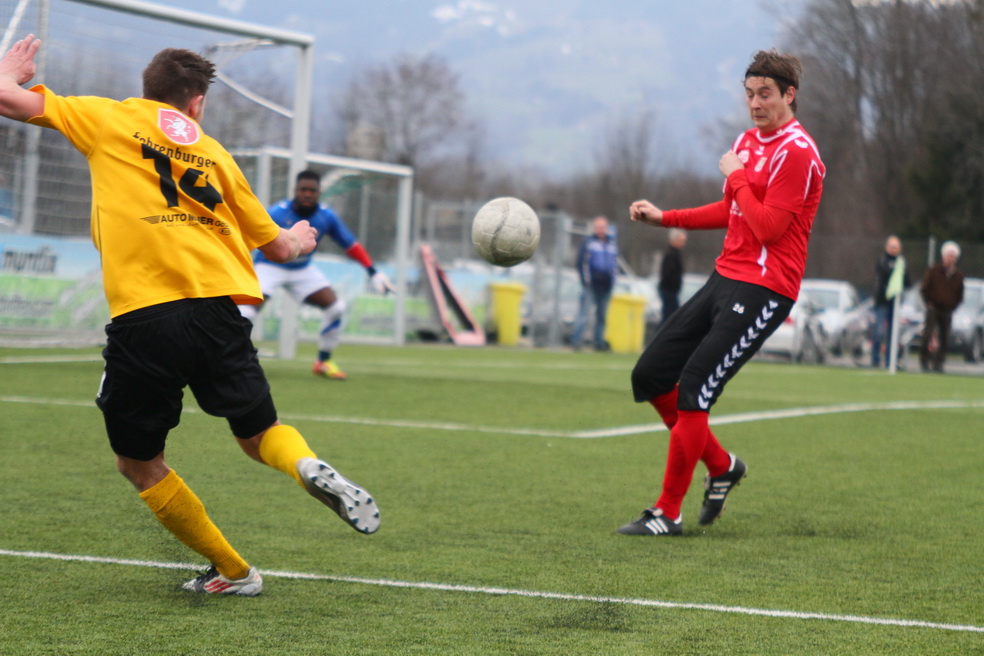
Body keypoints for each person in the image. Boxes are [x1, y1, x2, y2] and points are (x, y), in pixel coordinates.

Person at [0, 35, 380, 596]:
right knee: (260, 433)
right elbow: (280, 248)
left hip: (147, 318)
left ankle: (235, 571)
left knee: (138, 463)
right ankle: (303, 464)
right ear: (197, 102)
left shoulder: (110, 117)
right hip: (220, 313)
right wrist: (301, 238)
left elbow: (8, 99)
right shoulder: (217, 155)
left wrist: (9, 70)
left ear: (148, 89)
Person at [620, 49, 825, 537]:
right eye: (749, 94)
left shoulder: (797, 152)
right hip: (725, 277)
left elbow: (769, 227)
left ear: (789, 95)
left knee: (695, 387)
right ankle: (721, 465)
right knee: (650, 374)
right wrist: (666, 218)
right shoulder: (746, 142)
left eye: (765, 94)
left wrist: (735, 175)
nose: (754, 104)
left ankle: (667, 513)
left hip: (765, 289)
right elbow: (732, 211)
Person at [238, 169, 393, 380]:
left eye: (312, 190)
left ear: (319, 193)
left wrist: (372, 272)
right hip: (269, 266)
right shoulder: (276, 213)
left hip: (302, 269)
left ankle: (323, 361)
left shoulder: (326, 216)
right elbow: (246, 239)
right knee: (245, 313)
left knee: (336, 308)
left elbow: (351, 246)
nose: (307, 194)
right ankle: (234, 362)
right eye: (303, 189)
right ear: (295, 190)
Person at [572, 215, 619, 351]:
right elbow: (582, 263)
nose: (601, 229)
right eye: (598, 227)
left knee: (602, 316)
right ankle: (577, 341)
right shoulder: (589, 243)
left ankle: (599, 342)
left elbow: (615, 265)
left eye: (603, 227)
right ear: (594, 228)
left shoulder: (611, 244)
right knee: (584, 313)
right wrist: (586, 281)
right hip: (591, 285)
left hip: (606, 285)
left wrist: (613, 281)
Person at [919, 240, 964, 372]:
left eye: (953, 256)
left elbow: (960, 294)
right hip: (933, 308)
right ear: (943, 256)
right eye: (948, 255)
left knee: (944, 337)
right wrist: (928, 303)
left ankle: (939, 363)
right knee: (928, 334)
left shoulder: (958, 276)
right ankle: (924, 361)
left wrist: (953, 306)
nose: (950, 258)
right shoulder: (933, 271)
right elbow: (924, 288)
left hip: (947, 310)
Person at [871, 235, 910, 368]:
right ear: (887, 247)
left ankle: (890, 361)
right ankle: (875, 360)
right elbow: (883, 276)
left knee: (893, 334)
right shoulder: (882, 261)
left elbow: (907, 282)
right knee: (878, 332)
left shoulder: (902, 263)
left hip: (895, 303)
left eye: (896, 247)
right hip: (882, 302)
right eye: (892, 247)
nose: (894, 249)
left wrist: (901, 272)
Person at [657, 228, 687, 324]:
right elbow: (669, 274)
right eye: (681, 240)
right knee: (670, 317)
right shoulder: (671, 254)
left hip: (671, 290)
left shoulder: (674, 253)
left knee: (669, 317)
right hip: (669, 291)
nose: (683, 243)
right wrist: (674, 286)